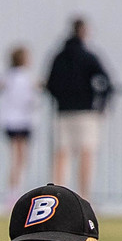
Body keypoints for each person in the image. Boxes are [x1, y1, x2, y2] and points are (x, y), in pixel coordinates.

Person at [45, 17, 113, 195]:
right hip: (86, 112)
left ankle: (58, 195)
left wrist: (61, 97)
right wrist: (101, 103)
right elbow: (107, 81)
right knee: (86, 153)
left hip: (63, 111)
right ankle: (84, 196)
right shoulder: (88, 56)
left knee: (62, 154)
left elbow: (50, 84)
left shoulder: (59, 57)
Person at [0, 45, 38, 197]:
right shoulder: (26, 77)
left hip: (9, 120)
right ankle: (15, 191)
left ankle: (13, 191)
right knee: (20, 159)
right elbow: (30, 100)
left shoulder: (8, 76)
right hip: (22, 120)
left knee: (15, 158)